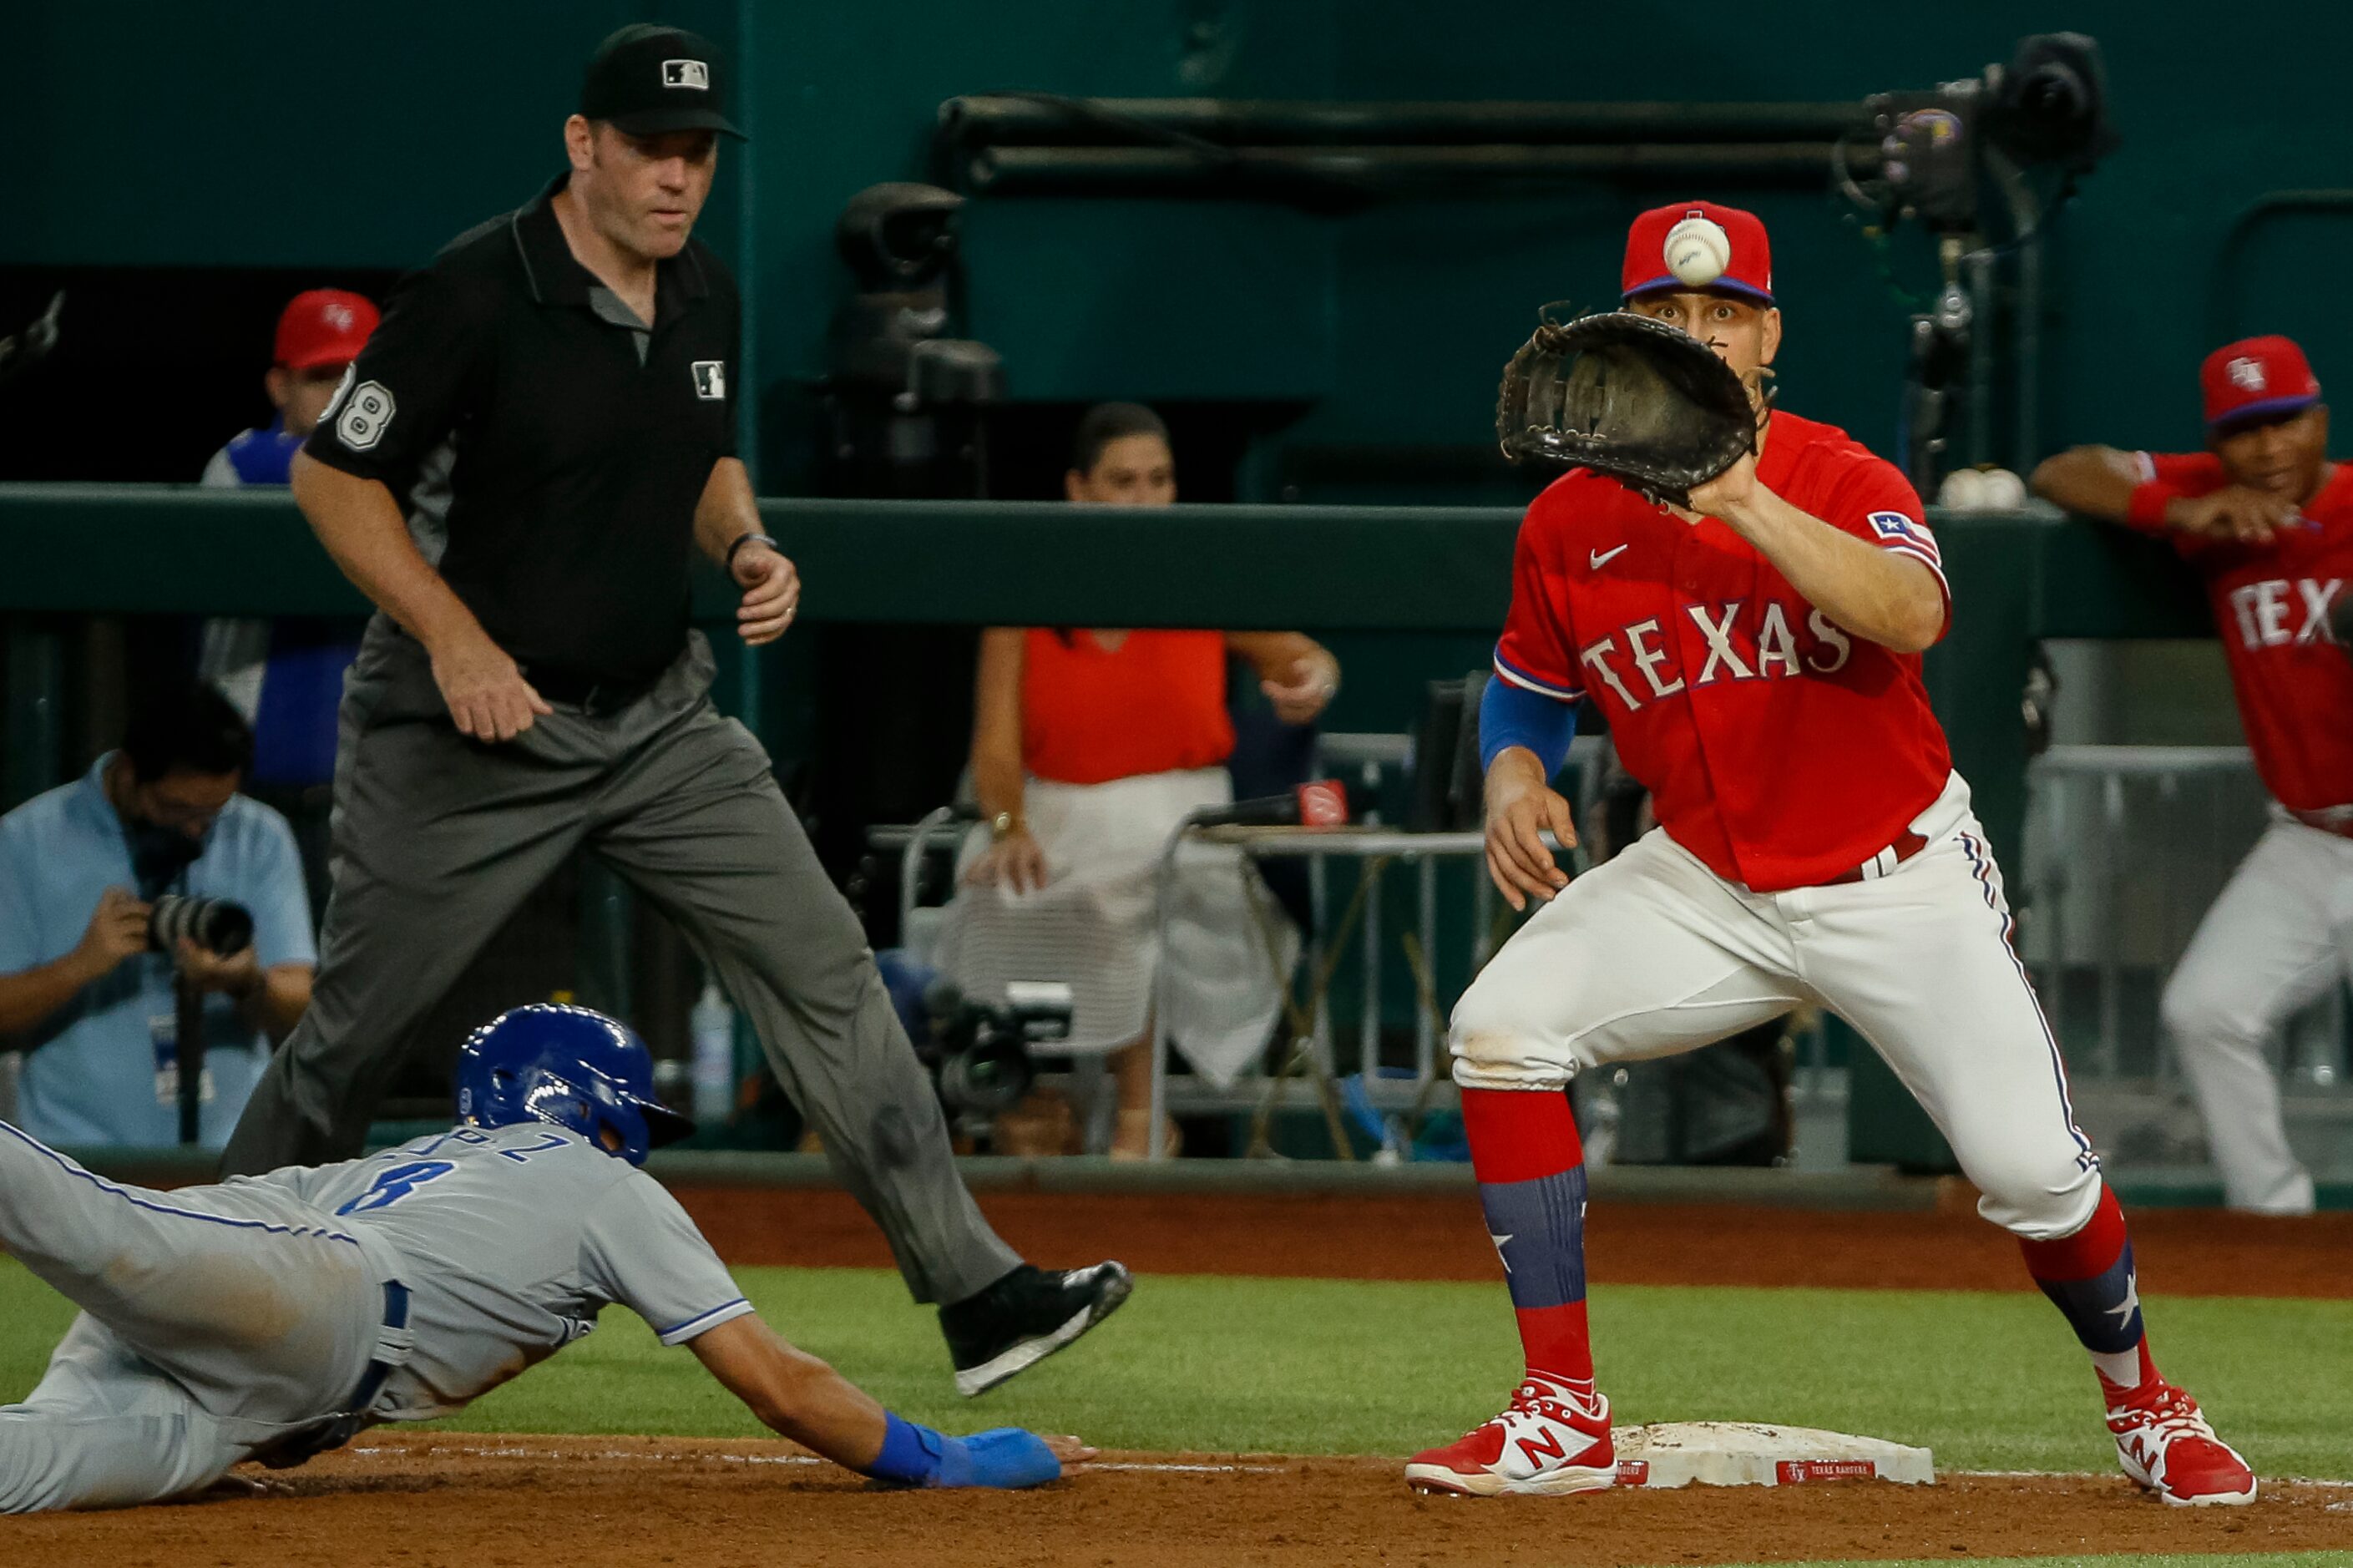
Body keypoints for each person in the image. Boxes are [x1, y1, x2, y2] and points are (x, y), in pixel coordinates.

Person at [217, 23, 1127, 1396]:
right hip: (468, 732)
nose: (676, 176)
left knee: (829, 973)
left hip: (656, 720)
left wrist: (748, 544)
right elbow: (334, 481)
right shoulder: (473, 291)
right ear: (581, 146)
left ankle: (975, 1291)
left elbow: (697, 457)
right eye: (650, 147)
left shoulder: (701, 291)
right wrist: (455, 640)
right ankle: (205, 1303)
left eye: (696, 152)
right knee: (351, 1034)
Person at [1403, 201, 2254, 1506]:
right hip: (1704, 880)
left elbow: (1909, 612)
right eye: (1670, 317)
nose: (1696, 337)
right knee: (1500, 1027)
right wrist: (1512, 771)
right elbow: (1528, 683)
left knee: (2032, 1174)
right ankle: (1560, 1408)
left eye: (1723, 316)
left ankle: (2145, 1401)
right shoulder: (1566, 521)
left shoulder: (1837, 473)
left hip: (1891, 876)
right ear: (1627, 337)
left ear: (1766, 339)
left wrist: (1740, 499)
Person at [0, 1004, 1080, 1512]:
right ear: (580, 1096)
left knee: (40, 1466)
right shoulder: (594, 1179)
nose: (636, 1133)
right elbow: (779, 1384)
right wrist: (947, 1456)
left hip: (268, 1374)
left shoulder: (437, 1158)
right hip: (323, 1294)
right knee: (86, 1221)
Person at [938, 403, 1340, 1157]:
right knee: (988, 885)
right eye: (1124, 481)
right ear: (1079, 490)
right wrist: (1007, 827)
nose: (1146, 497)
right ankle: (1030, 1105)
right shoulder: (1023, 596)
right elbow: (994, 746)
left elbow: (1307, 659)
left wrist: (1311, 679)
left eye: (1160, 480)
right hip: (1054, 810)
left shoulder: (1201, 576)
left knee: (1118, 892)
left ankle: (1138, 1117)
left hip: (1179, 811)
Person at [2029, 335, 2353, 1215]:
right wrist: (2171, 512)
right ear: (2218, 445)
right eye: (2245, 431)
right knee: (2207, 1009)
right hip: (2305, 837)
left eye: (2286, 422)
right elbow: (2063, 472)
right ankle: (2275, 1223)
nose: (2269, 448)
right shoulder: (2214, 497)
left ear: (2320, 419)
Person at [0, 683, 314, 1149]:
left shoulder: (258, 835)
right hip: (77, 1163)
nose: (195, 829)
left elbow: (305, 1003)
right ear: (128, 772)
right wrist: (79, 967)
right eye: (177, 808)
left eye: (212, 813)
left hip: (228, 1159)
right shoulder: (26, 840)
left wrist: (247, 982)